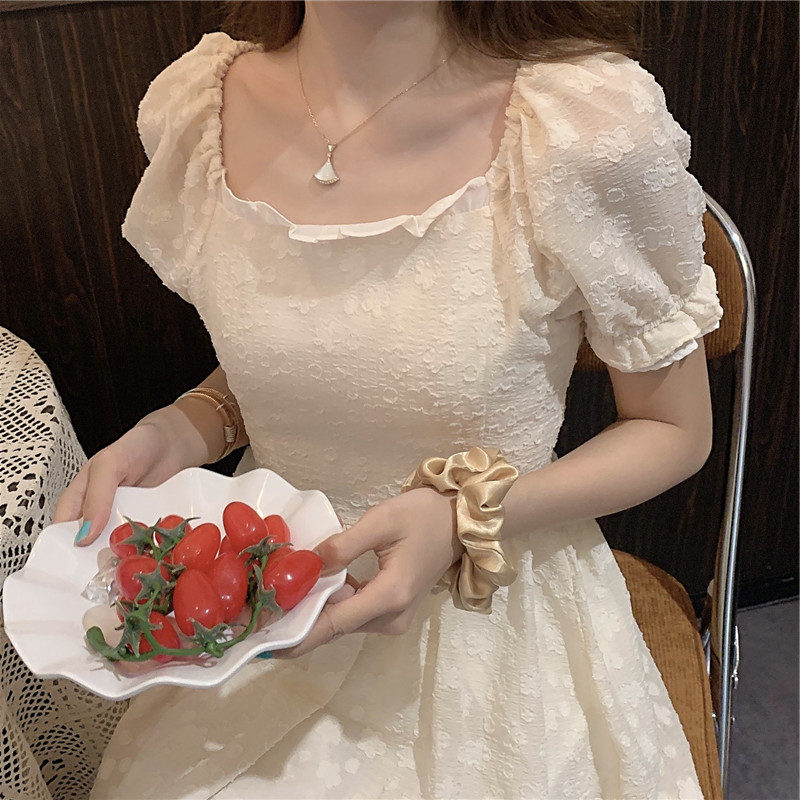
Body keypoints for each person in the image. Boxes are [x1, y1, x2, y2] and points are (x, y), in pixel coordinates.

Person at [55, 2, 723, 797]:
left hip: (489, 610)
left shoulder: (583, 127)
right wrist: (182, 427)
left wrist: (464, 516)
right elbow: (333, 362)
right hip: (265, 594)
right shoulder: (202, 107)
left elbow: (674, 428)